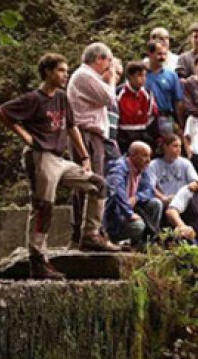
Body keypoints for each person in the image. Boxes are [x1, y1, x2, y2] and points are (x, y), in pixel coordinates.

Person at [0, 53, 119, 278]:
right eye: (61, 70)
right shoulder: (34, 98)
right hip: (40, 157)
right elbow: (2, 113)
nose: (65, 75)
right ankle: (38, 259)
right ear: (48, 72)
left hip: (60, 159)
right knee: (44, 206)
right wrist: (26, 137)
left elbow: (71, 127)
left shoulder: (61, 97)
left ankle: (90, 235)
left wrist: (84, 157)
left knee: (98, 185)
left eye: (66, 70)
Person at [67, 42, 119, 247]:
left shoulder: (88, 77)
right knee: (93, 183)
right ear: (99, 59)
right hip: (86, 135)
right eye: (108, 61)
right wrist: (112, 78)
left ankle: (89, 231)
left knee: (90, 183)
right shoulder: (84, 76)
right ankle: (89, 233)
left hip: (91, 135)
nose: (109, 66)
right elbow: (110, 98)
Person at [104, 142, 163, 248]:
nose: (148, 160)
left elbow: (149, 190)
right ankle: (112, 238)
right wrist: (128, 213)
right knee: (138, 226)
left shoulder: (144, 169)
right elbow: (116, 192)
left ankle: (146, 243)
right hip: (117, 212)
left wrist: (136, 198)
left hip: (133, 206)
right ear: (133, 155)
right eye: (145, 156)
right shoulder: (118, 168)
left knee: (156, 204)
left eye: (149, 156)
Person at [116, 61, 158, 154]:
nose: (143, 79)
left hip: (142, 133)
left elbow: (152, 115)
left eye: (144, 75)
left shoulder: (147, 93)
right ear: (130, 76)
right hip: (124, 134)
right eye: (139, 75)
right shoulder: (119, 93)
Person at [148, 134, 198, 208]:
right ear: (165, 147)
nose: (179, 149)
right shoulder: (153, 165)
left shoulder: (185, 163)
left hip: (182, 200)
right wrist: (163, 198)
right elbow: (150, 187)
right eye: (175, 146)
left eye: (180, 146)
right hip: (163, 200)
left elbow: (195, 181)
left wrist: (191, 185)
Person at [145, 40, 183, 137]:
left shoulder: (171, 75)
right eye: (159, 54)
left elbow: (178, 102)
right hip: (146, 120)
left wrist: (181, 124)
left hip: (166, 118)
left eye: (164, 54)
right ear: (149, 53)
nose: (162, 57)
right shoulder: (142, 75)